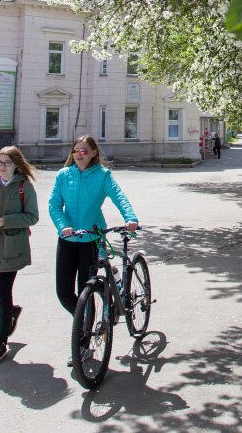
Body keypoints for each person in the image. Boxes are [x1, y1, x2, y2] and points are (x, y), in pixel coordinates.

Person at [49, 136, 139, 365]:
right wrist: (63, 226)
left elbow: (119, 197)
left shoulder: (102, 175)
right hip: (68, 239)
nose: (80, 154)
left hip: (91, 238)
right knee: (63, 292)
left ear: (93, 153)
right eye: (76, 150)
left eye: (84, 151)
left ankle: (83, 345)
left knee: (85, 291)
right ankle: (83, 319)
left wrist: (130, 218)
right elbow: (53, 205)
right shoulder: (64, 175)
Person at [0, 146, 40, 365]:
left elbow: (32, 217)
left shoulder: (24, 187)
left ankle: (1, 341)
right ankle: (12, 311)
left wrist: (6, 221)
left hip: (13, 247)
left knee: (3, 293)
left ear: (16, 165)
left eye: (6, 163)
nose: (2, 167)